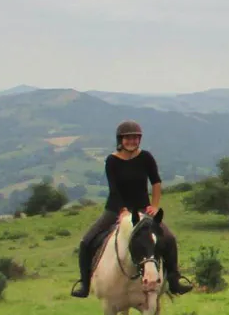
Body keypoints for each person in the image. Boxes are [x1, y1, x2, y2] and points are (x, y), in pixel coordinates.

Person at [71, 120, 192, 297]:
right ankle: (85, 284)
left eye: (135, 138)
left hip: (143, 208)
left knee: (170, 238)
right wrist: (122, 210)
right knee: (86, 241)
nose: (132, 141)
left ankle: (175, 281)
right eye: (128, 138)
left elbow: (156, 182)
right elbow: (114, 188)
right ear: (120, 140)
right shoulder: (112, 161)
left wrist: (155, 206)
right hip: (114, 209)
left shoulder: (146, 157)